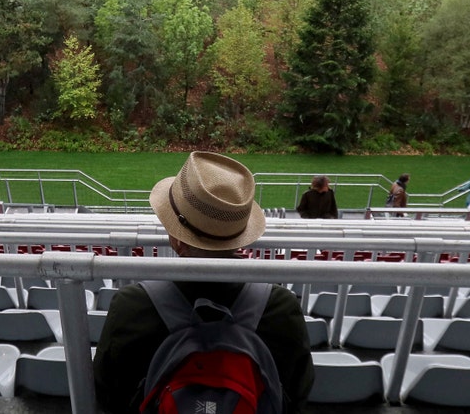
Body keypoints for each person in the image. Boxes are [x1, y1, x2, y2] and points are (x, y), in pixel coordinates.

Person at [95, 151, 313, 414]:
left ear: (176, 239)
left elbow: (107, 396)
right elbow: (296, 399)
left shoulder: (131, 305)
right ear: (241, 237)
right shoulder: (281, 307)